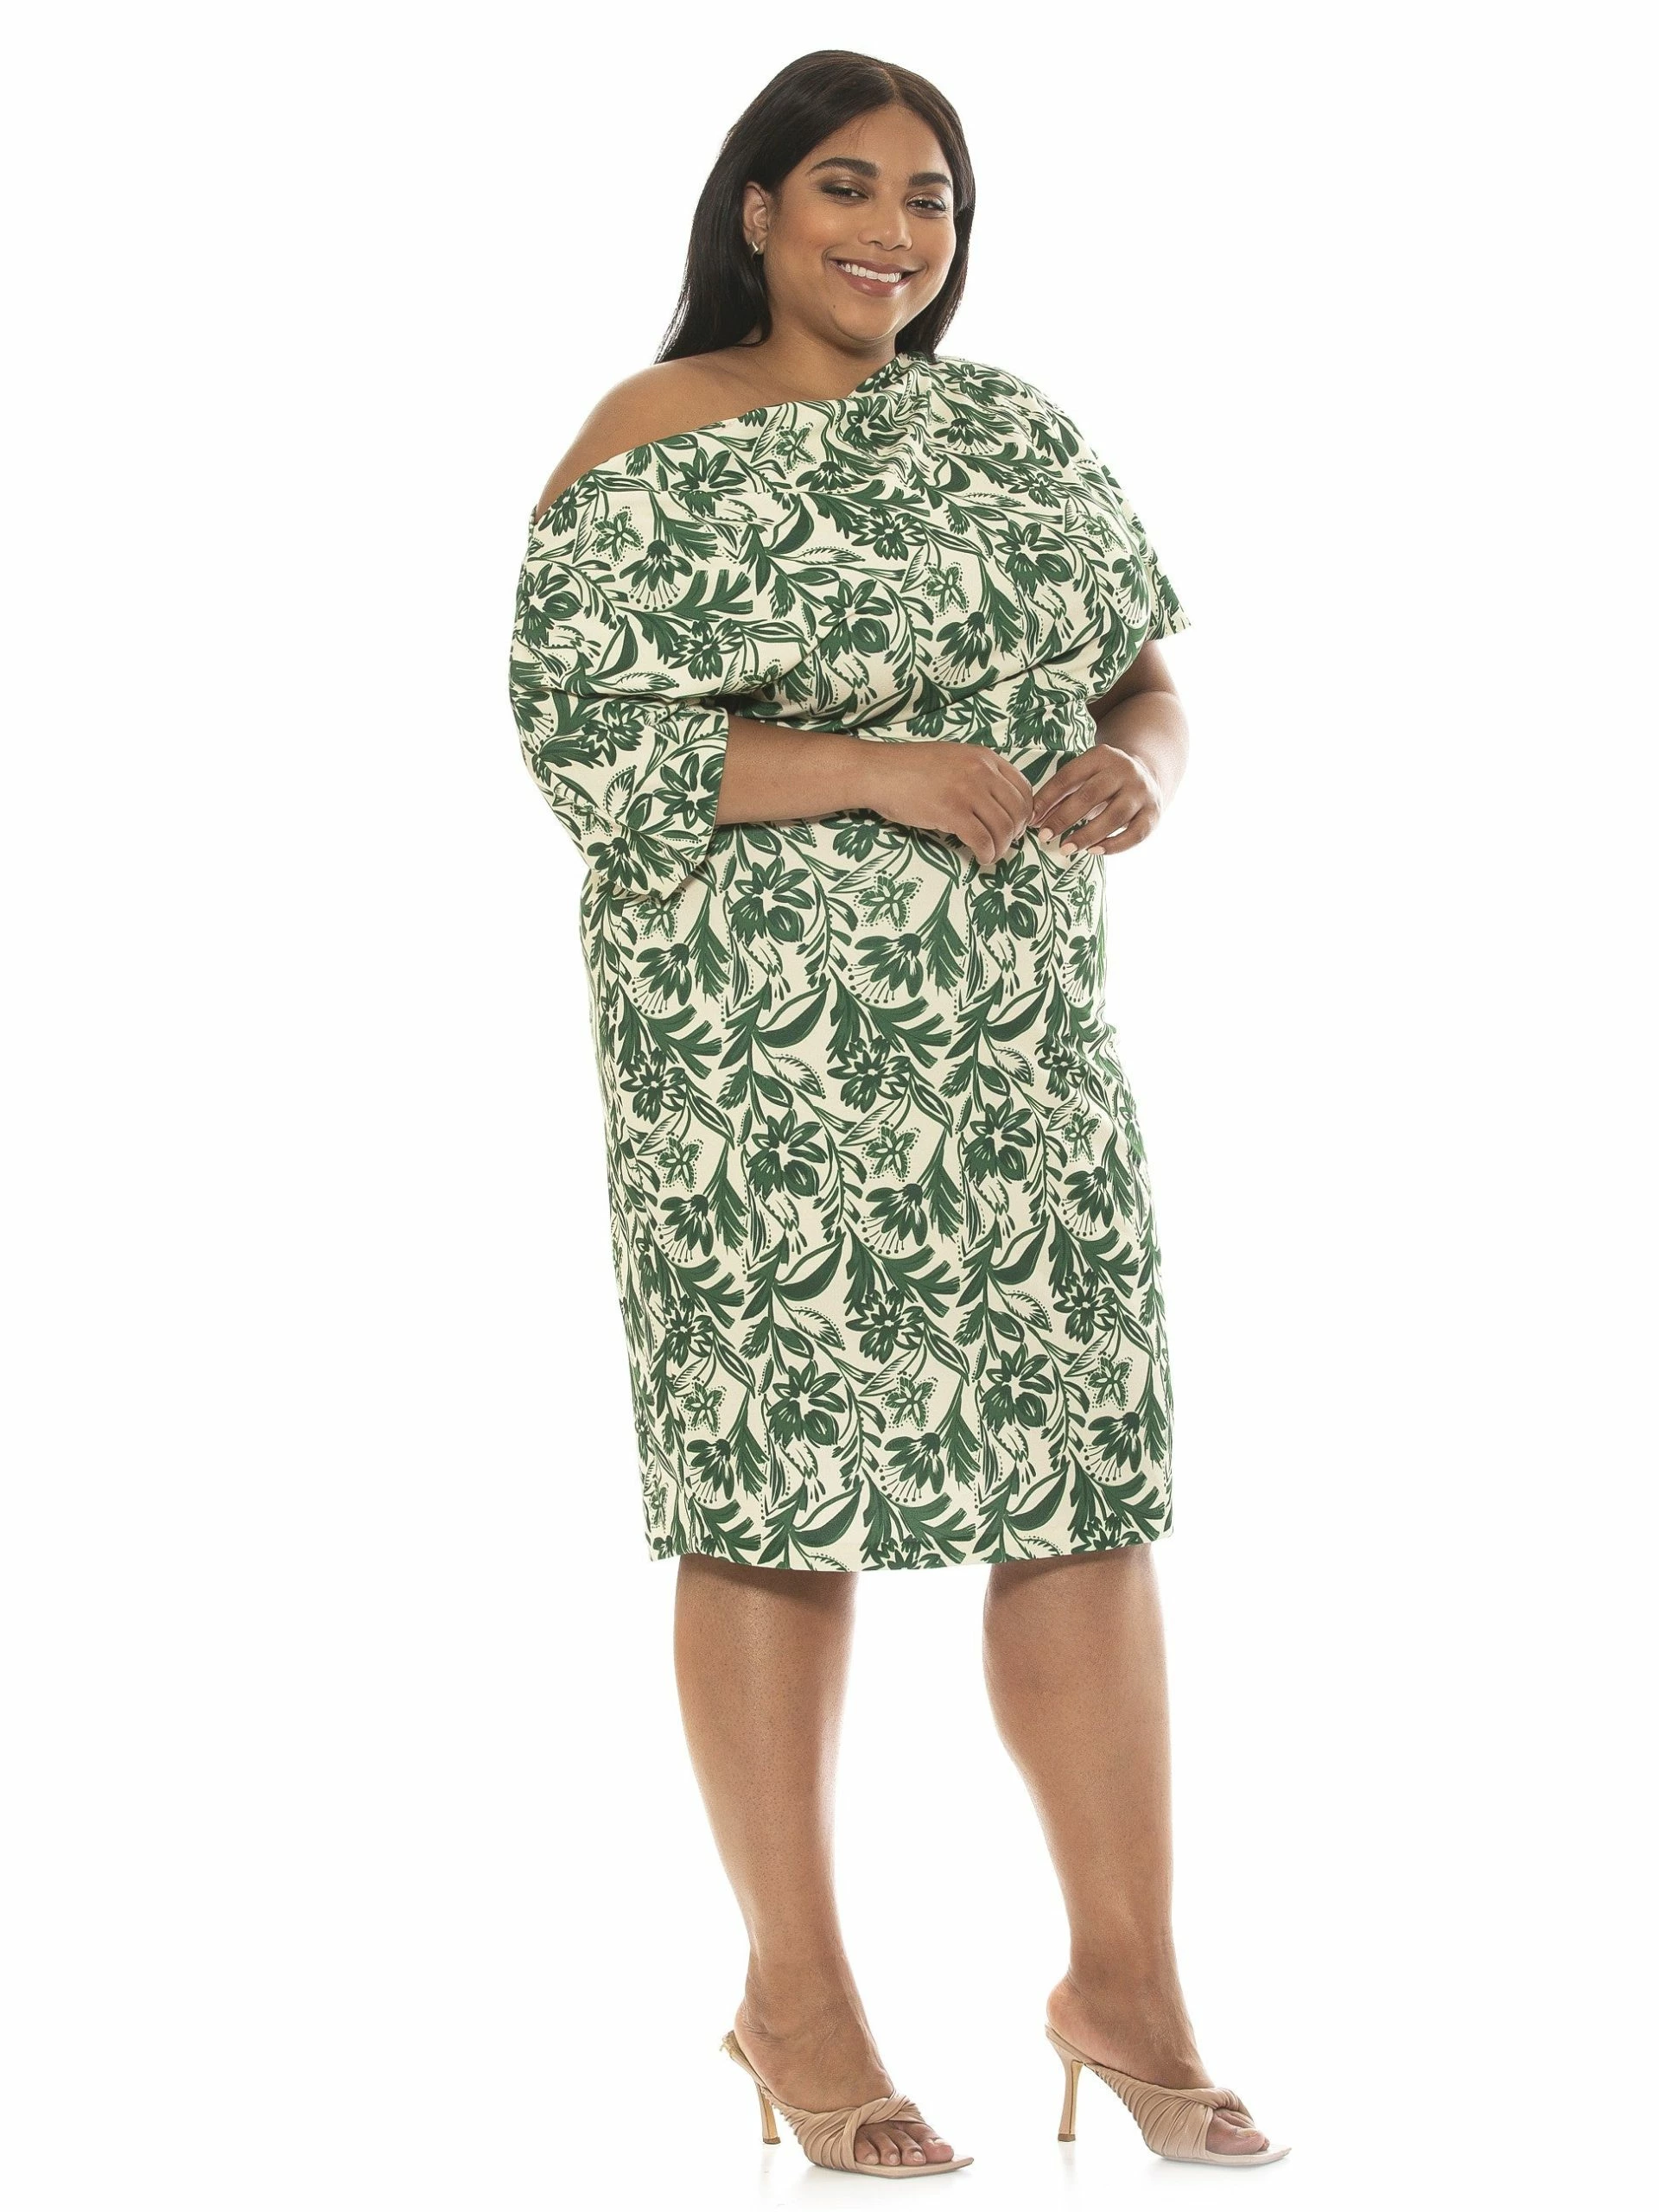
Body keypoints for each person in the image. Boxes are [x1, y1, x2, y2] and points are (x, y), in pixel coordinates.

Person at [509, 48, 1288, 2181]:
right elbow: (584, 742)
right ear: (756, 208)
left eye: (930, 195)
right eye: (846, 185)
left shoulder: (1010, 430)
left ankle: (1126, 1984)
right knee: (776, 1492)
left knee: (1084, 1487)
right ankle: (800, 1998)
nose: (893, 229)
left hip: (1016, 1036)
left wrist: (1142, 770)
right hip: (754, 1048)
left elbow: (1144, 676)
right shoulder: (652, 436)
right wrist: (872, 768)